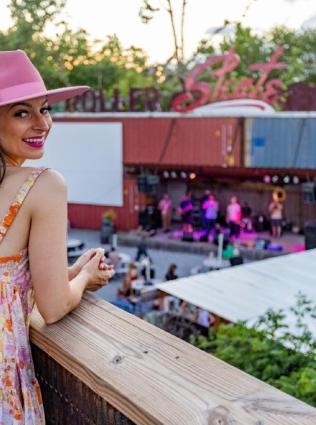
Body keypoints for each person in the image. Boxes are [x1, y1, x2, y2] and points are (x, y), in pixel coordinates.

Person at [0, 50, 115, 423]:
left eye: (45, 109)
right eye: (22, 112)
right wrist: (85, 277)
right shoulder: (42, 185)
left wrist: (66, 272)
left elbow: (8, 290)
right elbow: (52, 308)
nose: (42, 124)